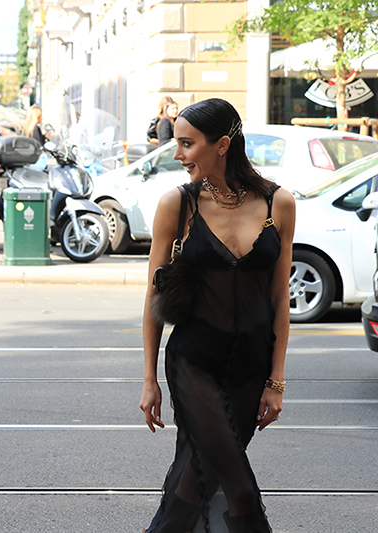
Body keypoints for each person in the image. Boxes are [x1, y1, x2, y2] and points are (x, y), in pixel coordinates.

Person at [139, 98, 295, 533]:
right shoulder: (177, 204)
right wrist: (150, 379)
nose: (177, 154)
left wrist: (276, 380)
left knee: (195, 482)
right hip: (193, 363)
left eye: (187, 144)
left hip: (251, 366)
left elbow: (279, 298)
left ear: (222, 144)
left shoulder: (278, 204)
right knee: (238, 488)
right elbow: (154, 296)